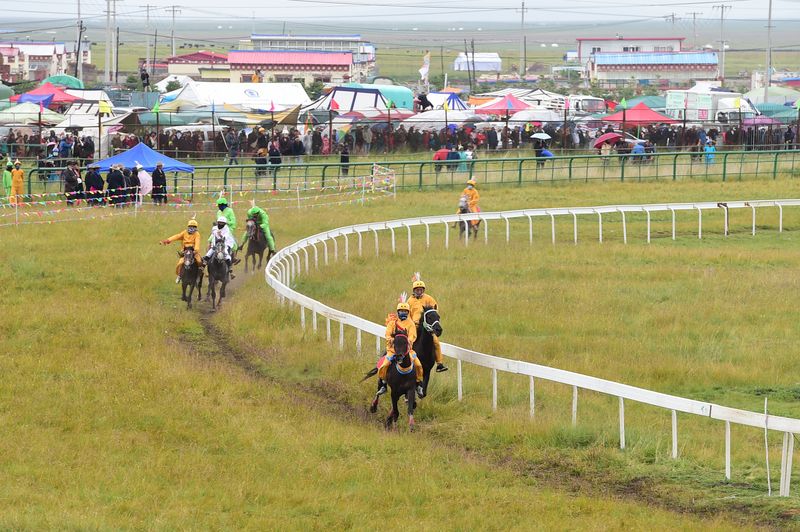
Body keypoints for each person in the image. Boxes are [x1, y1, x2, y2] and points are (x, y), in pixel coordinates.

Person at [376, 295, 425, 398]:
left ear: (408, 312)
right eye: (401, 311)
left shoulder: (411, 324)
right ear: (398, 312)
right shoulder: (392, 323)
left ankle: (418, 384)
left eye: (405, 311)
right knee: (384, 365)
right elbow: (387, 334)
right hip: (393, 350)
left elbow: (412, 336)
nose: (403, 313)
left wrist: (407, 341)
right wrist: (392, 340)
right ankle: (384, 384)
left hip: (407, 350)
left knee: (418, 365)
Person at [408, 273, 447, 373]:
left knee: (436, 342)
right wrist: (411, 325)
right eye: (417, 290)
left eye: (421, 290)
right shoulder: (410, 301)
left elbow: (434, 311)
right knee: (408, 342)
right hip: (414, 326)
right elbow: (408, 315)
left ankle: (439, 364)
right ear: (414, 290)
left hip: (426, 326)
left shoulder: (429, 299)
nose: (419, 291)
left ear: (423, 290)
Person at [160, 219, 203, 283]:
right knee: (180, 263)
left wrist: (196, 250)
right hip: (185, 251)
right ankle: (179, 275)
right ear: (188, 226)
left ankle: (198, 276)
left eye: (194, 227)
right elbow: (177, 236)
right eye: (190, 226)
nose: (192, 228)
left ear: (196, 227)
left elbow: (197, 242)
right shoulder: (184, 232)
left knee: (199, 261)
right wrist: (168, 240)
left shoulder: (197, 234)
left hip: (194, 251)